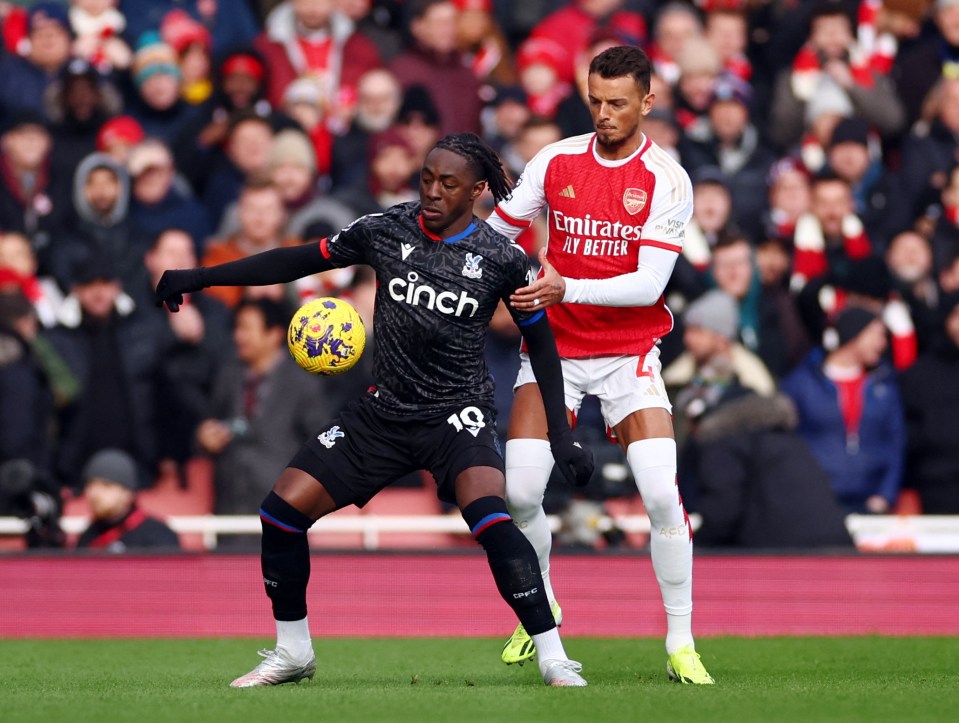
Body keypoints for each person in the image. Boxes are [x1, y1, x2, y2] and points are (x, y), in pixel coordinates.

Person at [154, 132, 595, 688]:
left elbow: (545, 349)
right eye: (427, 178)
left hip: (457, 415)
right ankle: (293, 652)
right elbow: (295, 261)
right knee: (280, 513)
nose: (433, 191)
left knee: (491, 519)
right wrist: (203, 277)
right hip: (384, 413)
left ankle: (554, 656)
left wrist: (562, 435)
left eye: (448, 183)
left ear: (478, 190)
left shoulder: (504, 259)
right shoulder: (385, 229)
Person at [485, 45, 714, 685]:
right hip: (554, 352)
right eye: (595, 101)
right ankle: (544, 602)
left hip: (628, 353)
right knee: (523, 493)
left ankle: (680, 639)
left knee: (661, 496)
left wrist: (564, 289)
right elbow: (498, 231)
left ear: (648, 100)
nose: (605, 113)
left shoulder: (667, 179)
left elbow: (646, 286)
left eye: (618, 103)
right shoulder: (556, 160)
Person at [76, 448, 180, 551]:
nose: (94, 493)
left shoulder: (158, 535)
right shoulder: (87, 537)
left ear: (127, 493)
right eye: (90, 485)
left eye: (106, 485)